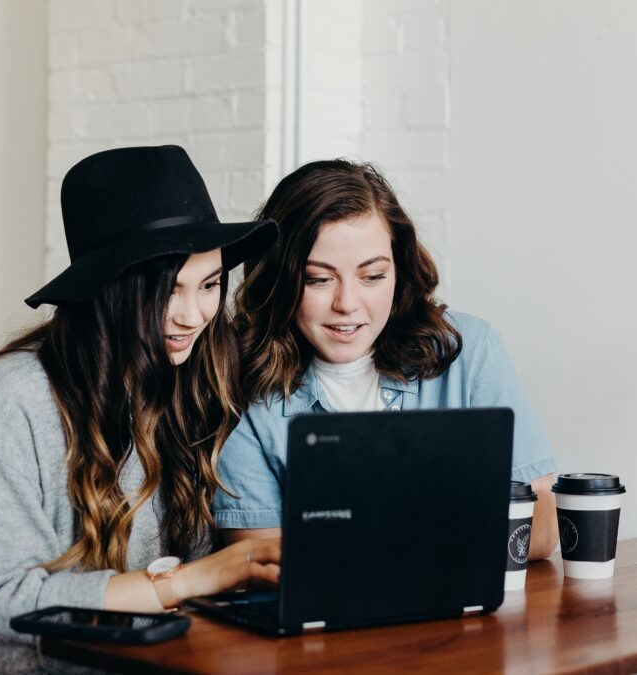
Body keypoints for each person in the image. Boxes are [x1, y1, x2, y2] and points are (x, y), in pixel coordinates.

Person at [0, 145, 281, 673]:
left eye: (208, 285)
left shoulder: (192, 385)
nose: (193, 315)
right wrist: (185, 581)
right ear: (109, 289)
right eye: (167, 290)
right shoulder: (13, 397)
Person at [214, 159, 559, 559]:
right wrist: (446, 526)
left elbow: (543, 525)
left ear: (399, 270)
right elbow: (258, 560)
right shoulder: (241, 383)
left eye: (372, 276)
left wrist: (364, 541)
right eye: (318, 279)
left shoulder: (468, 350)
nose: (347, 304)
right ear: (280, 280)